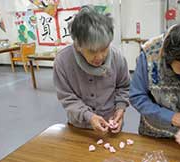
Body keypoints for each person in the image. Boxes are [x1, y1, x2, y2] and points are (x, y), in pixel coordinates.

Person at [53, 6, 130, 135]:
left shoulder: (117, 57)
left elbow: (123, 87)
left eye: (104, 48)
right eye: (92, 51)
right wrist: (89, 116)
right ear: (78, 45)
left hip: (111, 125)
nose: (100, 57)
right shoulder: (62, 62)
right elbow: (67, 98)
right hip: (79, 128)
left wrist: (120, 109)